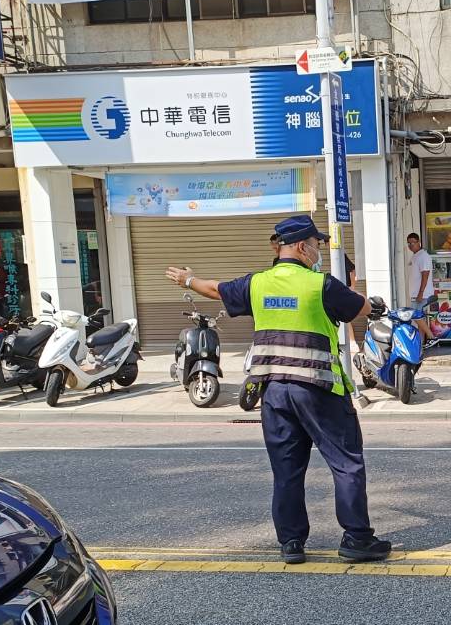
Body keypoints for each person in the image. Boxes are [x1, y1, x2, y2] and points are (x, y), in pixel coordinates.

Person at [166, 215, 391, 566]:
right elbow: (359, 309)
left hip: (273, 392)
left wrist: (187, 279)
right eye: (316, 244)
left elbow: (216, 289)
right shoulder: (320, 285)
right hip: (318, 389)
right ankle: (357, 540)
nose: (317, 250)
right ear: (302, 247)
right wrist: (367, 298)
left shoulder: (257, 284)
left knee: (287, 471)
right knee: (346, 464)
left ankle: (291, 543)